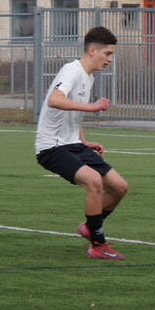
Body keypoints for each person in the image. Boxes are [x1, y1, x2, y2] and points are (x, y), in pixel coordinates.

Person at [35, 26, 129, 260]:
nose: (110, 59)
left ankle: (90, 226)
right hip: (51, 147)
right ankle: (98, 245)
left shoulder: (89, 76)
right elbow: (55, 100)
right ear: (92, 50)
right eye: (107, 53)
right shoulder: (72, 70)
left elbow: (73, 113)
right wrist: (92, 107)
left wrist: (83, 141)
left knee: (119, 187)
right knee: (93, 180)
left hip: (72, 144)